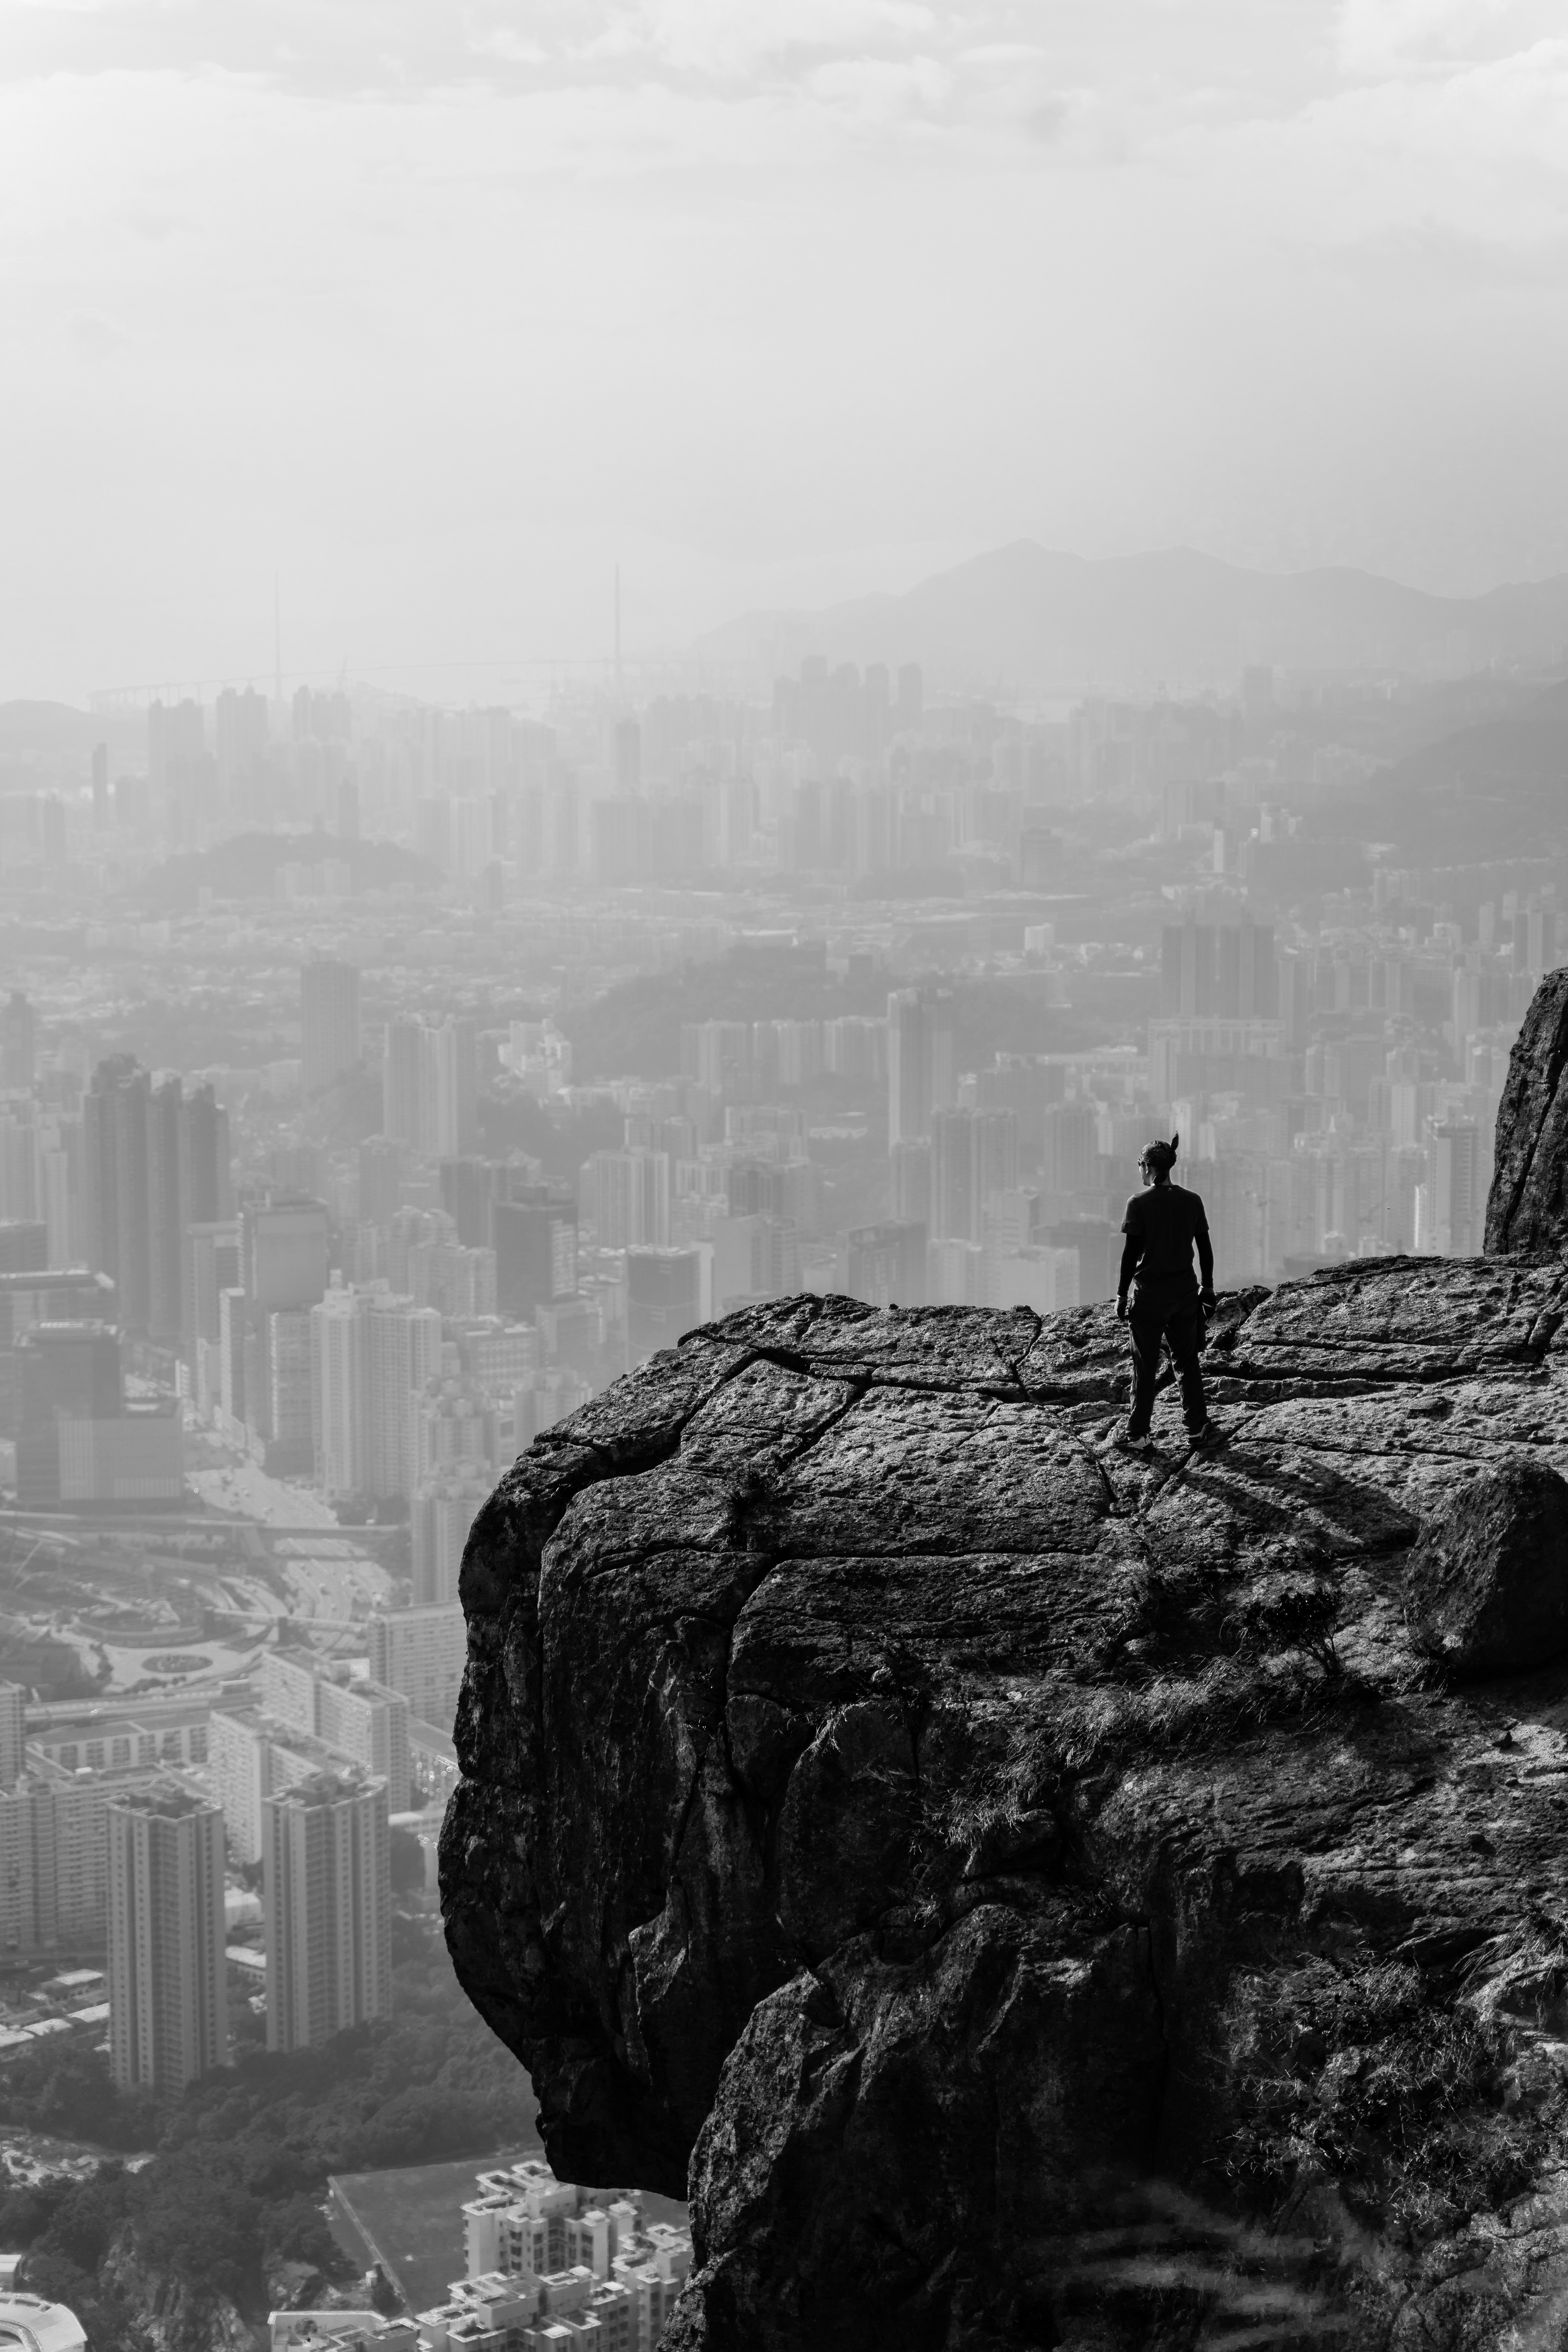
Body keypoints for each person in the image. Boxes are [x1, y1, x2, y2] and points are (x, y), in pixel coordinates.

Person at [1112, 1133, 1219, 1453]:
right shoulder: (1192, 1200)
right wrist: (1208, 1287)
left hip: (1149, 1298)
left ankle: (1138, 1434)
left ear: (1148, 1167)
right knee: (1187, 1361)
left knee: (1144, 1367)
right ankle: (1197, 1428)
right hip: (1186, 1294)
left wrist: (1120, 1294)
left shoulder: (1139, 1203)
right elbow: (1205, 1248)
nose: (1139, 1170)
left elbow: (1130, 1255)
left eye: (1140, 1164)